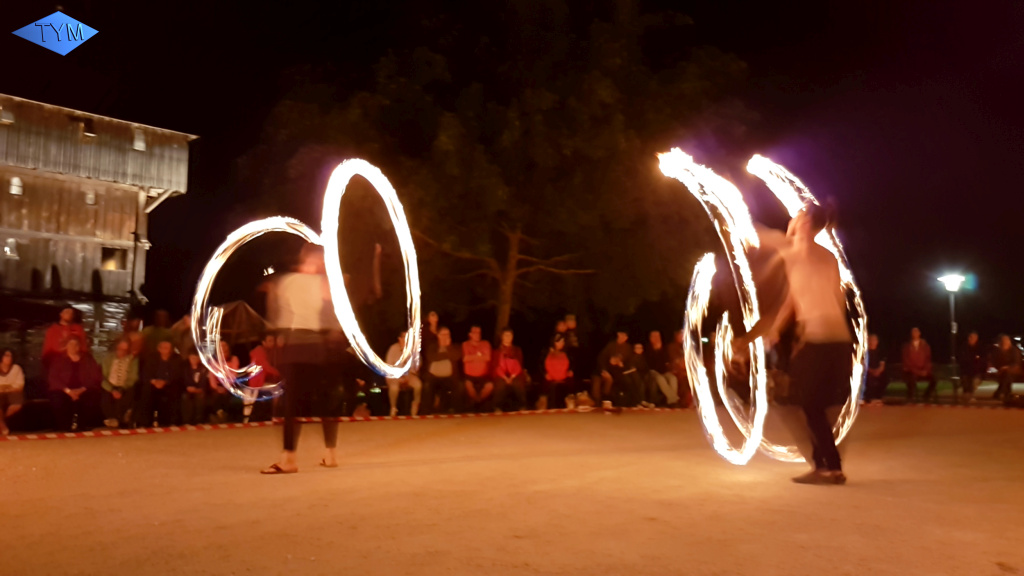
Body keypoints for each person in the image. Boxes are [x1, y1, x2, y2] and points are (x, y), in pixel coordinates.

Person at [736, 203, 852, 485]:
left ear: (804, 225)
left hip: (819, 340)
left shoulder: (793, 250)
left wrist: (724, 187)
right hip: (839, 342)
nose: (791, 219)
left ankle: (829, 467)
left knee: (806, 404)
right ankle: (825, 463)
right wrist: (775, 330)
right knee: (814, 404)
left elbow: (750, 229)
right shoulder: (827, 257)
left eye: (798, 216)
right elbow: (795, 299)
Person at [262, 244, 340, 474]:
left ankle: (289, 459)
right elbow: (333, 318)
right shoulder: (326, 283)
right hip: (318, 347)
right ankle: (331, 454)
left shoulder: (287, 282)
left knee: (291, 403)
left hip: (296, 346)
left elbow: (277, 317)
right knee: (325, 401)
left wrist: (277, 336)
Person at [47, 339, 102, 431]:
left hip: (84, 389)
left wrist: (81, 389)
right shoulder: (59, 359)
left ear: (79, 347)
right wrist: (69, 391)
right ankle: (64, 427)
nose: (73, 347)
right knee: (57, 399)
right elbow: (53, 377)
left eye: (75, 344)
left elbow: (95, 376)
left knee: (91, 397)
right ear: (66, 346)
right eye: (70, 344)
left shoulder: (88, 359)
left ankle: (83, 426)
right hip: (64, 390)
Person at [136, 340, 183, 427]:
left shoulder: (177, 359)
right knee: (146, 391)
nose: (165, 350)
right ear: (159, 349)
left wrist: (165, 382)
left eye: (167, 348)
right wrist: (154, 381)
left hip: (169, 384)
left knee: (174, 391)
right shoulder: (151, 358)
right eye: (163, 348)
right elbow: (146, 373)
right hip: (153, 383)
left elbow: (177, 374)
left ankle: (169, 421)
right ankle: (145, 422)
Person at [100, 339, 139, 428]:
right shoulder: (108, 358)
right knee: (105, 396)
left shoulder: (133, 360)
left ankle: (123, 419)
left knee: (129, 394)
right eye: (121, 348)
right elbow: (103, 376)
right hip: (109, 385)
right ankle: (110, 418)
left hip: (125, 386)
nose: (122, 351)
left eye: (125, 349)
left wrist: (121, 389)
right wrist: (112, 389)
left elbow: (133, 377)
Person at [422, 326, 462, 414]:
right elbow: (432, 357)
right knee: (427, 386)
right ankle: (426, 411)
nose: (445, 336)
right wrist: (447, 355)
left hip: (449, 377)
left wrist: (448, 348)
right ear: (438, 335)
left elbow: (456, 356)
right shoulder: (432, 346)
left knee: (457, 386)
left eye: (447, 334)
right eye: (443, 334)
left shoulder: (453, 347)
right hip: (433, 376)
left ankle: (452, 410)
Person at [385, 331, 423, 417]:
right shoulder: (393, 349)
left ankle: (415, 406)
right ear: (400, 339)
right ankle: (393, 408)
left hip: (409, 375)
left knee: (418, 385)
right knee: (394, 388)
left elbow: (417, 365)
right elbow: (389, 365)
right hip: (395, 375)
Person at [245, 334, 281, 422]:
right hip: (258, 382)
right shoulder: (259, 352)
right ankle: (275, 415)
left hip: (266, 380)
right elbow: (266, 367)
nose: (273, 343)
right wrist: (280, 374)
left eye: (273, 340)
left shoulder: (272, 352)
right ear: (263, 343)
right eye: (270, 341)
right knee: (277, 390)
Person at [42, 307, 89, 374]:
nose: (69, 314)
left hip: (75, 366)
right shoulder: (52, 330)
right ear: (61, 314)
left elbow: (84, 348)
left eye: (71, 313)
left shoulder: (79, 329)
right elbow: (47, 351)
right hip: (57, 368)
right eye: (67, 312)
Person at [493, 327, 527, 412]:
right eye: (506, 335)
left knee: (519, 382)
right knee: (500, 384)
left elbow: (519, 365)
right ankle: (497, 407)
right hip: (501, 375)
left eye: (510, 335)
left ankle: (522, 406)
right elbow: (496, 366)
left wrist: (512, 377)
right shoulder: (497, 351)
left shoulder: (517, 350)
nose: (508, 337)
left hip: (515, 374)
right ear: (502, 337)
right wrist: (505, 377)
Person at [462, 325, 494, 412]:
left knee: (490, 386)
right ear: (470, 334)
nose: (477, 335)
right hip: (469, 375)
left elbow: (487, 357)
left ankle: (478, 400)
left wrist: (472, 357)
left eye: (479, 333)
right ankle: (476, 402)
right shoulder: (465, 344)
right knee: (468, 386)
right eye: (475, 333)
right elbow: (465, 358)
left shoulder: (485, 343)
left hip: (483, 375)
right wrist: (479, 356)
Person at [645, 331, 681, 407]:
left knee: (673, 378)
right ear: (650, 338)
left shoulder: (664, 348)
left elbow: (666, 362)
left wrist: (660, 350)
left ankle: (671, 401)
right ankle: (673, 399)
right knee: (660, 379)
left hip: (663, 371)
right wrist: (656, 351)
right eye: (654, 336)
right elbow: (650, 364)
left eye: (658, 336)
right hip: (652, 371)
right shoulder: (648, 348)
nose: (656, 338)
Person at [902, 328, 937, 402]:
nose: (915, 333)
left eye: (917, 332)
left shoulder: (925, 345)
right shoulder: (907, 346)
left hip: (923, 370)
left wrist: (925, 370)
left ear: (919, 333)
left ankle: (926, 396)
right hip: (912, 371)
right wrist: (916, 371)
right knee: (910, 379)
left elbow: (928, 359)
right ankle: (910, 397)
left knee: (934, 380)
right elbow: (906, 361)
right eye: (913, 332)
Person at [595, 330, 631, 403]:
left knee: (622, 381)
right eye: (621, 335)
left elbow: (629, 363)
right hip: (606, 370)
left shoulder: (628, 348)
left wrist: (622, 365)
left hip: (620, 373)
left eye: (625, 336)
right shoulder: (611, 345)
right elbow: (601, 358)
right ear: (618, 334)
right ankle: (598, 400)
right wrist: (604, 369)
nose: (623, 337)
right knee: (599, 382)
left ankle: (608, 400)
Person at [541, 334, 574, 409]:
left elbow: (572, 363)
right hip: (550, 375)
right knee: (547, 384)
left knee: (571, 380)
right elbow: (541, 365)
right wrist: (545, 373)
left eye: (562, 341)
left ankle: (570, 400)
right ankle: (544, 402)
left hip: (564, 375)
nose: (561, 344)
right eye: (558, 342)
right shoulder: (546, 352)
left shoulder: (568, 352)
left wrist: (570, 370)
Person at [0, 349, 26, 435]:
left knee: (17, 404)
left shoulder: (16, 368)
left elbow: (20, 384)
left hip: (13, 392)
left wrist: (7, 388)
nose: (9, 358)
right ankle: (3, 426)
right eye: (6, 356)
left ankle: (1, 421)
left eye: (10, 356)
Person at [181, 351, 209, 425]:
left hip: (200, 390)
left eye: (195, 358)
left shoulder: (203, 369)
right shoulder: (185, 369)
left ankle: (199, 420)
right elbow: (184, 380)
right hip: (188, 390)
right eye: (192, 358)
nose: (193, 360)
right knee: (185, 397)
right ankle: (187, 421)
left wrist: (199, 389)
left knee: (200, 397)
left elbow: (204, 381)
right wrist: (188, 388)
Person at [991, 334, 1021, 402]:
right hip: (1001, 370)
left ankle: (1001, 392)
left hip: (1013, 369)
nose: (1005, 342)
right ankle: (1005, 393)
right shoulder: (997, 351)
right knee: (1005, 376)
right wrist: (998, 368)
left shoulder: (1014, 350)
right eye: (1003, 341)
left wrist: (1006, 367)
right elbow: (994, 361)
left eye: (1006, 341)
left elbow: (1016, 363)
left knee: (1007, 375)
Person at [959, 331, 987, 403]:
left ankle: (970, 395)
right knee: (965, 378)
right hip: (966, 370)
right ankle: (967, 395)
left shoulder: (980, 347)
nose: (971, 339)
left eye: (974, 338)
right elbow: (962, 359)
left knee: (974, 381)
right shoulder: (964, 347)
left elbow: (983, 359)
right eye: (971, 337)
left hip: (977, 370)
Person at [863, 334, 888, 404]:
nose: (872, 342)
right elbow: (864, 365)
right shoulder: (864, 352)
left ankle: (879, 397)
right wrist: (872, 371)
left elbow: (882, 364)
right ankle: (869, 397)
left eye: (874, 340)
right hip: (868, 372)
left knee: (884, 377)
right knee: (868, 378)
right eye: (870, 340)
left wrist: (878, 371)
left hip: (878, 371)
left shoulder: (880, 352)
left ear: (877, 342)